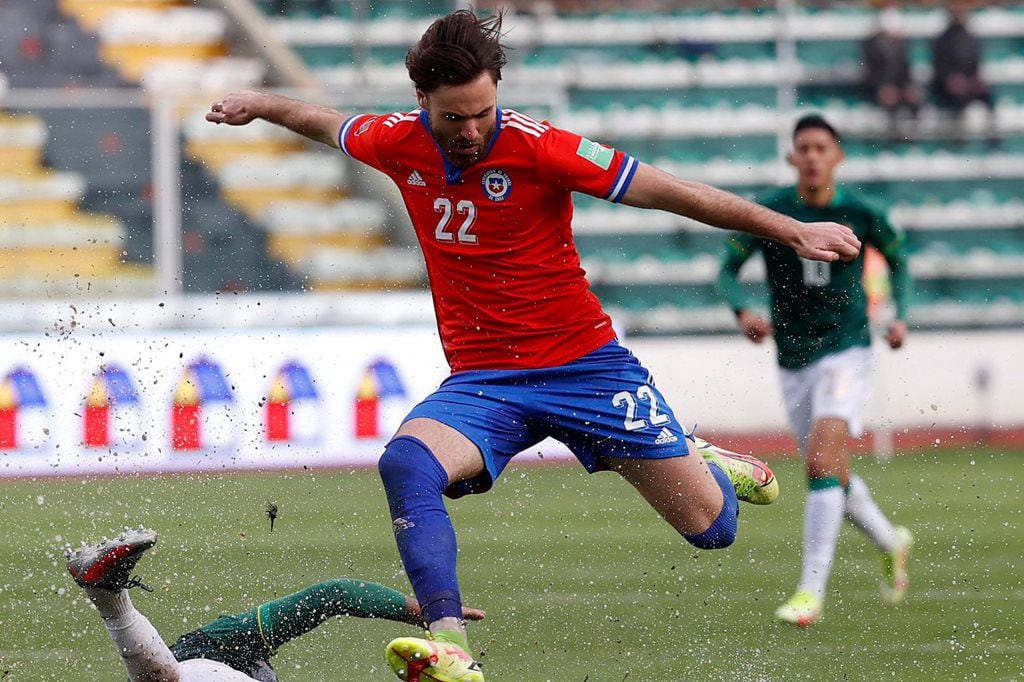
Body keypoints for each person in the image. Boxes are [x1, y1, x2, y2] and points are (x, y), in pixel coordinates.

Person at [207, 10, 860, 679]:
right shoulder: (395, 139)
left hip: (587, 370)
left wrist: (789, 229)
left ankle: (699, 455)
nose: (470, 131)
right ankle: (451, 647)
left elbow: (669, 191)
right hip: (484, 382)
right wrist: (258, 105)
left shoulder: (543, 146)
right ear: (421, 102)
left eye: (483, 113)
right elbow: (321, 121)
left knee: (712, 530)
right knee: (405, 465)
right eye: (453, 118)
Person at [716, 114, 914, 627]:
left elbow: (900, 261)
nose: (811, 156)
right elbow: (725, 269)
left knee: (823, 462)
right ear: (791, 158)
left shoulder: (862, 212)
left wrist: (900, 315)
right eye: (802, 148)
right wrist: (742, 310)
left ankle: (810, 594)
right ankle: (892, 542)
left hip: (847, 348)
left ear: (837, 155)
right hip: (792, 358)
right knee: (831, 473)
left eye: (821, 148)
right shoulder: (772, 211)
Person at [66, 527, 485, 681]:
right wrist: (432, 614)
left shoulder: (229, 640)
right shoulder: (233, 640)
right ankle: (109, 597)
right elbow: (334, 595)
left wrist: (430, 614)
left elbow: (335, 594)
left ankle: (109, 597)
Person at [931, 0, 999, 143]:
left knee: (989, 95)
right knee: (958, 99)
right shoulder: (941, 40)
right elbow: (939, 69)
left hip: (967, 83)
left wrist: (974, 81)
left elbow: (975, 65)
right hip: (947, 87)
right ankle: (958, 141)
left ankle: (993, 140)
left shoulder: (972, 38)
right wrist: (951, 80)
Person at [862, 5, 922, 132]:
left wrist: (909, 88)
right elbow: (870, 74)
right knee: (890, 99)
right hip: (877, 89)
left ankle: (912, 134)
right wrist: (881, 88)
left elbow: (906, 73)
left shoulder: (901, 49)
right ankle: (892, 139)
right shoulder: (871, 48)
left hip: (898, 86)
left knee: (914, 98)